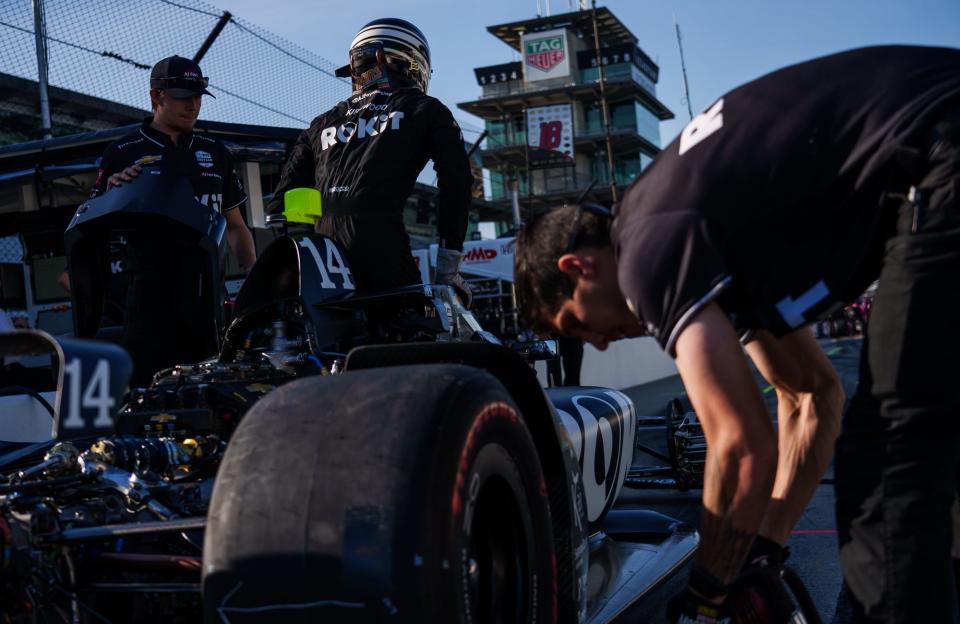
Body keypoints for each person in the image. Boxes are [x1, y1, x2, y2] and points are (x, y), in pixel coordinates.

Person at [513, 45, 960, 623]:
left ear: (579, 268)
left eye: (576, 325)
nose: (597, 344)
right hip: (935, 139)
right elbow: (811, 399)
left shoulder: (643, 248)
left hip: (939, 151)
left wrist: (705, 598)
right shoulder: (711, 242)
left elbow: (739, 447)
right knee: (931, 478)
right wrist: (761, 553)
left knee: (890, 463)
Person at [73, 55, 256, 383]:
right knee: (149, 392)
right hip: (148, 296)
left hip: (208, 296)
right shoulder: (123, 151)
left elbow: (236, 226)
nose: (194, 106)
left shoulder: (214, 150)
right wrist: (113, 194)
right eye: (184, 98)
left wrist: (255, 285)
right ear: (156, 96)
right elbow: (89, 225)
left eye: (198, 97)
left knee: (213, 389)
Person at [266, 18, 473, 302]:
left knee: (331, 338)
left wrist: (304, 250)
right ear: (410, 61)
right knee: (412, 334)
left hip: (321, 249)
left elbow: (281, 204)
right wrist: (448, 269)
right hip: (380, 241)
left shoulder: (320, 124)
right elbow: (457, 182)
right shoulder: (426, 108)